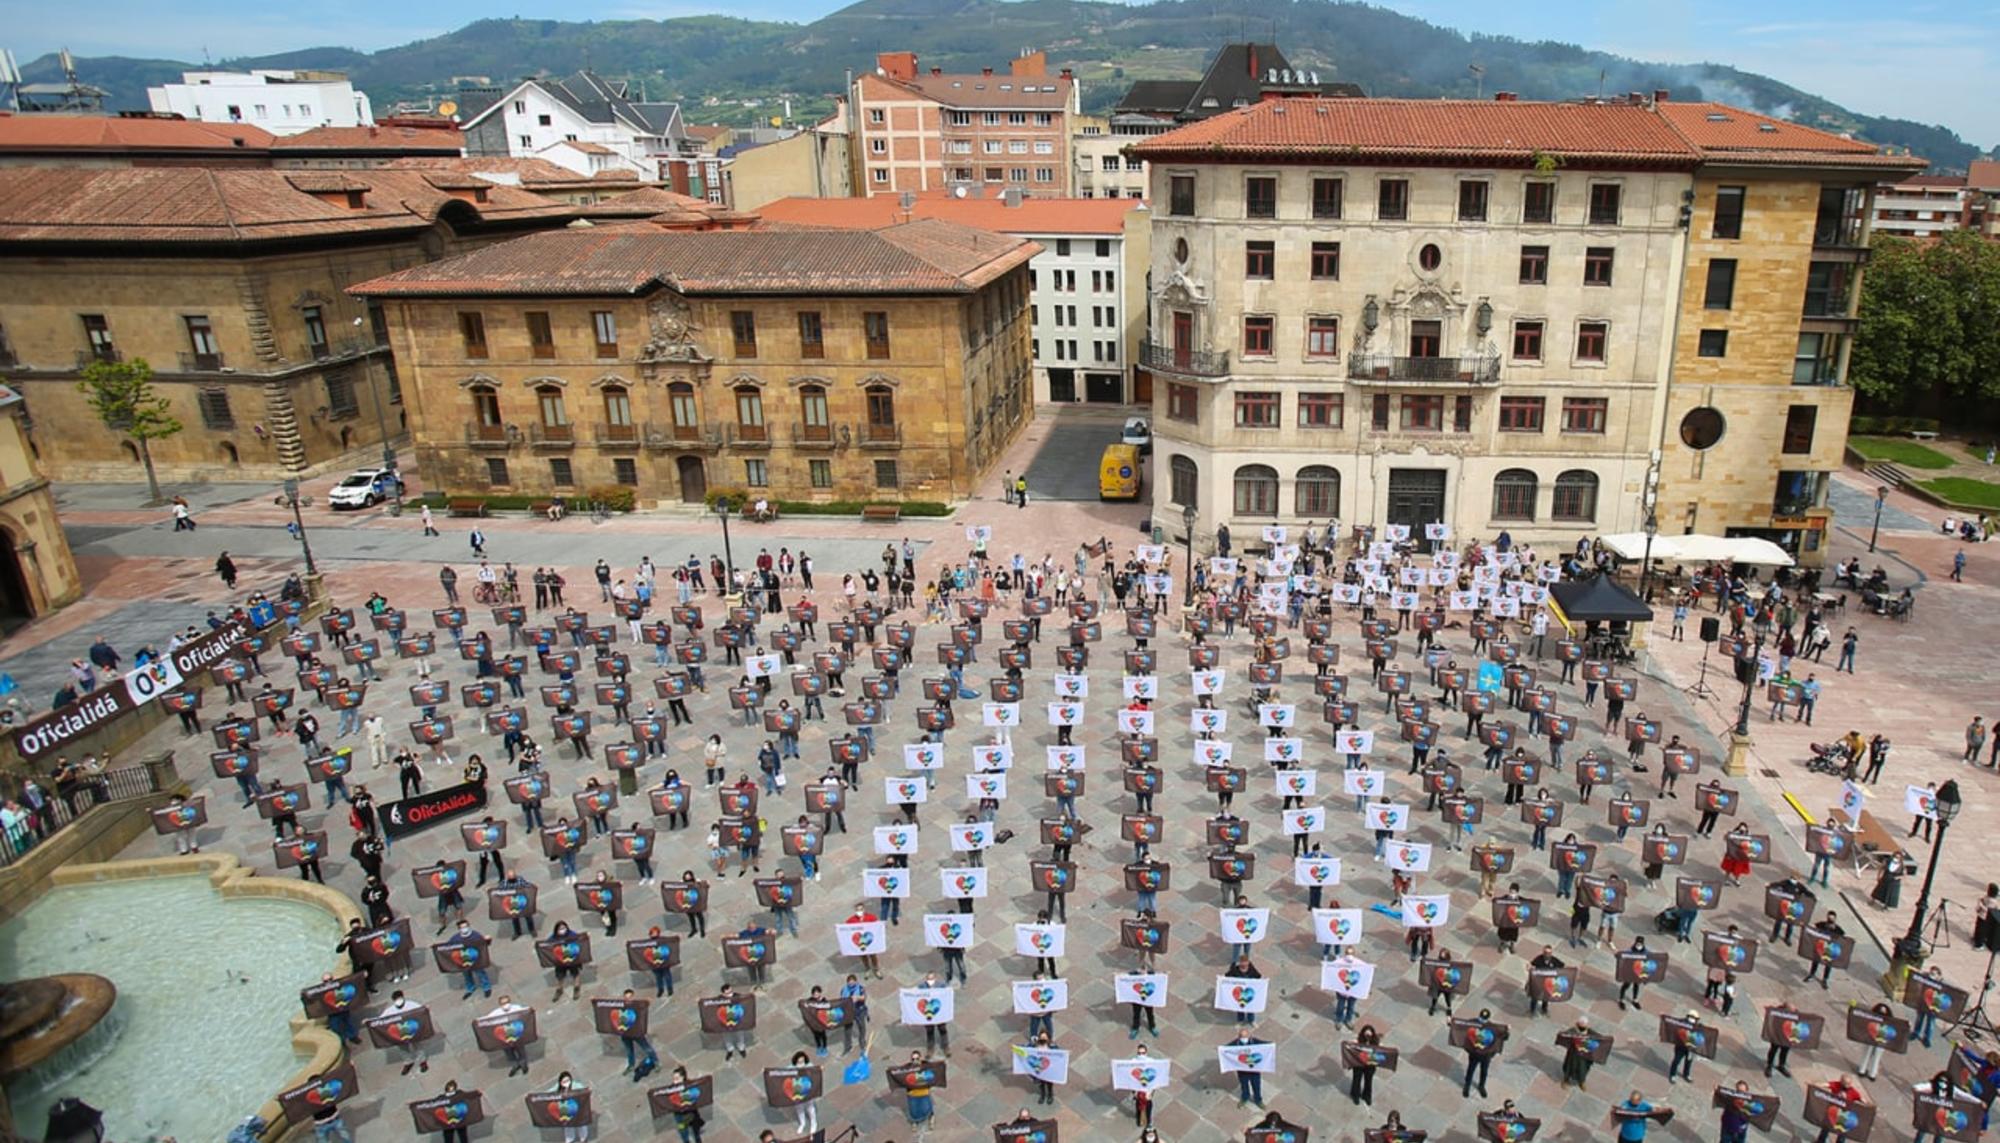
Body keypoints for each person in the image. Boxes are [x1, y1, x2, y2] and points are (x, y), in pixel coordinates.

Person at [1229, 1027, 1267, 1108]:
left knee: (1256, 1086)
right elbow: (1227, 1049)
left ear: (1249, 1036)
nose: (1244, 1039)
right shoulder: (1236, 1043)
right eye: (1242, 1037)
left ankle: (1258, 1100)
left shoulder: (1254, 1041)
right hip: (1242, 1071)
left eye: (1245, 1036)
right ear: (1239, 1037)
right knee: (1244, 1086)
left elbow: (1264, 1044)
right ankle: (1245, 1097)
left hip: (1254, 1071)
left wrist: (1271, 1045)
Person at [903, 1049, 937, 1129]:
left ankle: (931, 1116)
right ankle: (915, 1121)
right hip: (912, 1093)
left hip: (923, 1092)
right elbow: (903, 1077)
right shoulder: (908, 1068)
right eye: (913, 1059)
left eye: (917, 1058)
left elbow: (930, 1075)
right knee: (913, 1109)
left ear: (920, 1058)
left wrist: (916, 1077)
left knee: (926, 1106)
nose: (915, 1061)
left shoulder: (925, 1066)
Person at [1561, 1017, 1595, 1089]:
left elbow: (1598, 1040)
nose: (1582, 1028)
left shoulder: (1590, 1033)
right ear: (1577, 1024)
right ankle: (1565, 1080)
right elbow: (1564, 1035)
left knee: (1582, 1070)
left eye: (1583, 1026)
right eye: (1580, 1026)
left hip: (1583, 1057)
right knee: (1569, 1068)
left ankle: (1582, 1082)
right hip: (1573, 1055)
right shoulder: (1573, 1031)